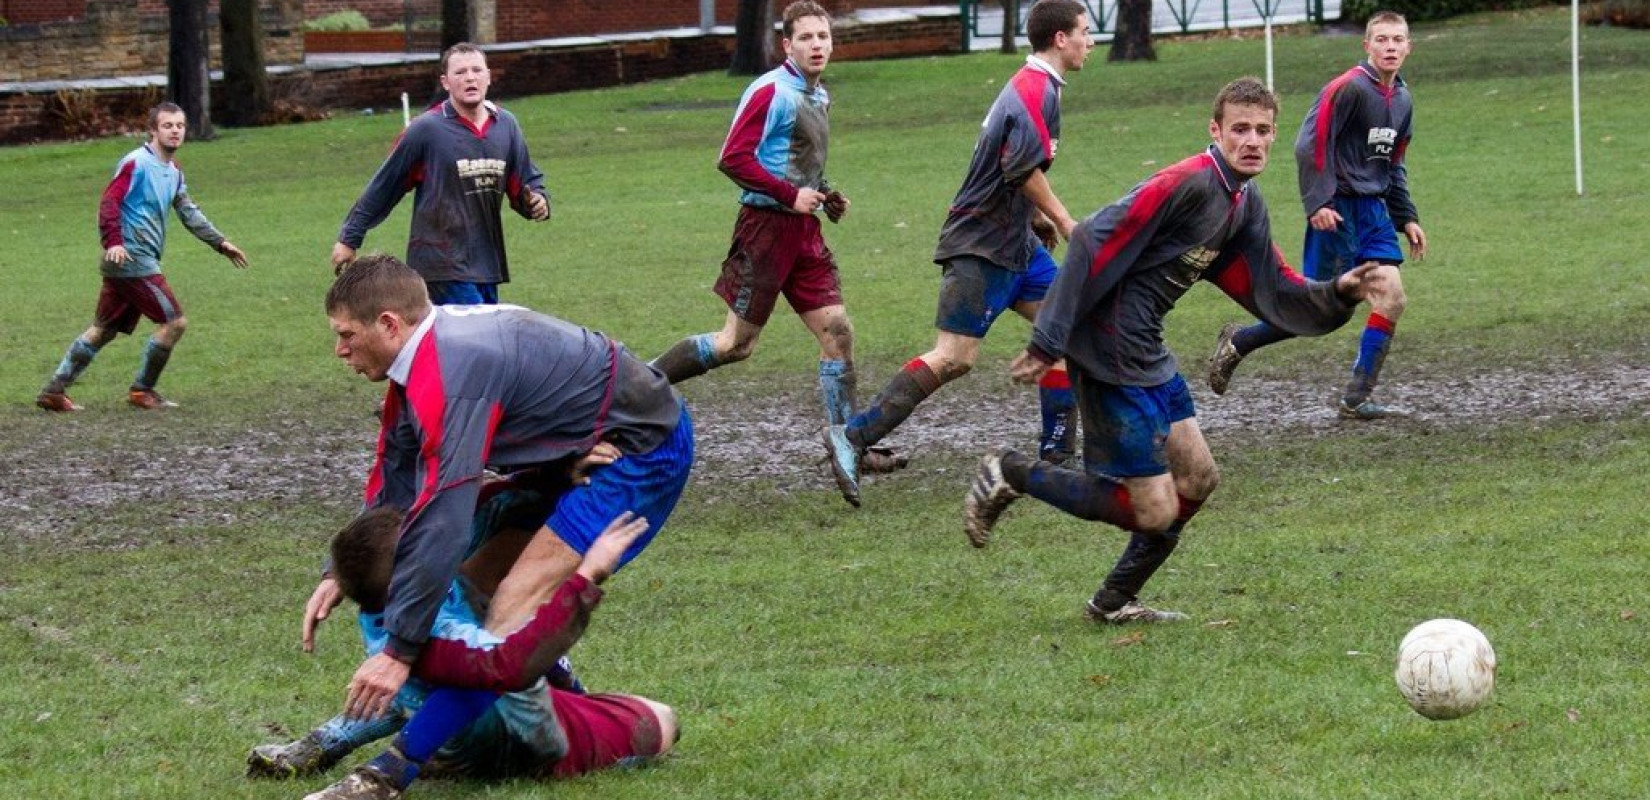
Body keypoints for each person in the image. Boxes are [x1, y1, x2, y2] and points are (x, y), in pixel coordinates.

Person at [963, 78, 1381, 623]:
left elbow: (1271, 284)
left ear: (1276, 135)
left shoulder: (1242, 201)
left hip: (1145, 345)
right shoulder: (1186, 183)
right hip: (1110, 345)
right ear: (1216, 130)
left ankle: (1113, 602)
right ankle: (1012, 471)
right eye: (1240, 130)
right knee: (1154, 509)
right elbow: (1089, 237)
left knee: (1199, 478)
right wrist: (1051, 337)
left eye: (1262, 131)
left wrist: (1337, 291)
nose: (1251, 141)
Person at [303, 253, 692, 794]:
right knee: (465, 594)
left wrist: (399, 652)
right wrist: (338, 572)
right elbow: (394, 479)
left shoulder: (450, 374)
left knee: (504, 616)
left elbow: (445, 505)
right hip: (574, 455)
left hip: (636, 453)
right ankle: (565, 707)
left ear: (389, 324)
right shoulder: (418, 361)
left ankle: (389, 774)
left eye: (346, 335)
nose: (339, 350)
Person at [823, 0, 1093, 506]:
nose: (1090, 41)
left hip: (1014, 241)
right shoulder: (1033, 89)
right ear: (1060, 38)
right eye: (1084, 32)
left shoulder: (1039, 87)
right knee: (953, 358)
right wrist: (1062, 219)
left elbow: (1007, 165)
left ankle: (1058, 455)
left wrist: (1032, 218)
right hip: (982, 245)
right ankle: (852, 436)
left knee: (1068, 327)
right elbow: (1020, 168)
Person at [260, 500, 676, 800]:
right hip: (536, 742)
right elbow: (506, 665)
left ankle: (322, 746)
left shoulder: (384, 618)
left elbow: (392, 703)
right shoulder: (441, 638)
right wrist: (588, 575)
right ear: (417, 570)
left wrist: (561, 476)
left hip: (471, 731)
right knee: (663, 720)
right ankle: (384, 777)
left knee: (453, 671)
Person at [649, 3, 909, 472]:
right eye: (806, 38)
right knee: (736, 345)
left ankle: (846, 443)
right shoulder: (770, 91)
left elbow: (798, 163)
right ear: (787, 45)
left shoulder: (819, 95)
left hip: (804, 234)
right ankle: (641, 384)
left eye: (823, 37)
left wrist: (826, 194)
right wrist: (790, 195)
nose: (817, 46)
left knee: (838, 332)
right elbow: (732, 158)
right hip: (764, 232)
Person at [1206, 11, 1422, 419]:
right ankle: (1241, 341)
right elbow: (1311, 146)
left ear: (1409, 46)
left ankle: (1356, 399)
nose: (1390, 47)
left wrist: (1406, 216)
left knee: (1391, 296)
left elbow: (1393, 163)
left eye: (1398, 40)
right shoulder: (1347, 89)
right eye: (1382, 39)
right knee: (1321, 310)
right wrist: (1319, 203)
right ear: (1367, 46)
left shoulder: (1404, 100)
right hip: (1337, 210)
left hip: (1373, 211)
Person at [35, 102, 249, 412]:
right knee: (174, 322)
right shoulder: (135, 163)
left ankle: (54, 390)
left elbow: (188, 212)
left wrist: (220, 242)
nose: (175, 131)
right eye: (168, 125)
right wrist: (114, 242)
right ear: (153, 130)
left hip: (128, 260)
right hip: (131, 257)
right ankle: (142, 390)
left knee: (103, 329)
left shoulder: (173, 172)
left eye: (180, 125)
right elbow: (109, 203)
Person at [330, 43, 550, 305]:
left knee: (471, 343)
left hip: (487, 263)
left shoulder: (506, 125)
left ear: (488, 77)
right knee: (476, 340)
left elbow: (524, 181)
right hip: (440, 262)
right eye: (460, 72)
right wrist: (349, 238)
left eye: (476, 70)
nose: (470, 77)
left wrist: (538, 201)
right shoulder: (426, 129)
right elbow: (384, 185)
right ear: (445, 82)